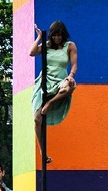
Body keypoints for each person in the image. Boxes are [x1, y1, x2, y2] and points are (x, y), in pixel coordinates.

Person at [31, 21, 78, 158]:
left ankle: (50, 102)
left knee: (70, 87)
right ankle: (42, 150)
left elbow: (74, 64)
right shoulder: (47, 46)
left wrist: (70, 76)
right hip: (45, 81)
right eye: (54, 36)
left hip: (60, 79)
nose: (57, 38)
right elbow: (32, 52)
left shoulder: (70, 46)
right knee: (37, 119)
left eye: (59, 35)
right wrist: (39, 37)